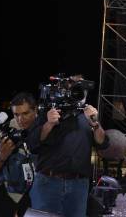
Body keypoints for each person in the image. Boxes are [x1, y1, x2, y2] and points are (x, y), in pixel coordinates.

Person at [27, 75, 109, 217]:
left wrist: (95, 124)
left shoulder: (88, 116)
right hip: (48, 183)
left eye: (82, 87)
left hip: (79, 186)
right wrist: (49, 124)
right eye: (74, 85)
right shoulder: (49, 111)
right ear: (65, 88)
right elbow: (33, 144)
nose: (78, 90)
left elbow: (103, 144)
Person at [0, 92, 37, 217]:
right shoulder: (4, 129)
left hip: (36, 196)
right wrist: (2, 155)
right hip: (7, 192)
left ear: (35, 110)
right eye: (16, 114)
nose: (20, 119)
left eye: (25, 113)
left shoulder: (46, 127)